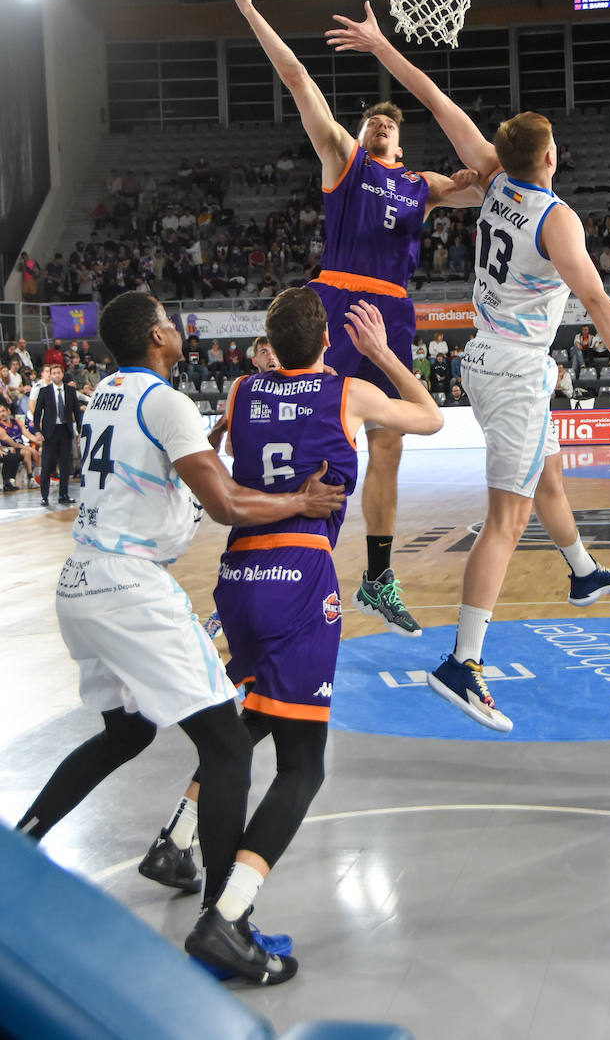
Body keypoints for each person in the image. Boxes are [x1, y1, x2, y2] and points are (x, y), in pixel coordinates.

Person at [327, 2, 610, 731]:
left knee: (544, 476)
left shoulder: (492, 180)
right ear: (550, 158)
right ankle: (464, 662)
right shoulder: (557, 218)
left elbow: (431, 96)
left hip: (489, 357)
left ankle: (582, 574)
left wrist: (382, 45)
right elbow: (600, 303)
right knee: (505, 522)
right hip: (514, 371)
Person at [16, 290, 347, 984]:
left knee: (127, 732)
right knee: (228, 748)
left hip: (78, 578)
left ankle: (22, 844)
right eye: (168, 320)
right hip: (129, 584)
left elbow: (169, 473)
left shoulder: (106, 390)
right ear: (155, 338)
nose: (176, 327)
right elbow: (226, 504)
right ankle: (228, 926)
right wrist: (301, 503)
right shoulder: (165, 401)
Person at [139, 291, 443, 964]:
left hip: (238, 574)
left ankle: (177, 834)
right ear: (330, 339)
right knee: (303, 767)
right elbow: (430, 418)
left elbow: (213, 457)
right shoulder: (348, 392)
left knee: (253, 718)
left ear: (267, 342)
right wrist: (382, 353)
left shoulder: (243, 389)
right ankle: (228, 913)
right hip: (299, 576)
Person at [224, 0, 480, 638]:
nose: (374, 130)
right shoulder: (344, 161)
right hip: (336, 297)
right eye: (368, 123)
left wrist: (472, 172)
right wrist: (247, 6)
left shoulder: (422, 185)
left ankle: (378, 576)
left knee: (389, 445)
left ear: (401, 142)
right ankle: (257, 564)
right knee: (309, 435)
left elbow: (489, 181)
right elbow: (299, 81)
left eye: (385, 128)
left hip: (393, 311)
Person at [34, 364, 81, 507]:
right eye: (53, 373)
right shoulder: (44, 391)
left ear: (62, 374)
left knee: (65, 465)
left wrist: (79, 431)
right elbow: (37, 413)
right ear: (50, 375)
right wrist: (37, 430)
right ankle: (44, 496)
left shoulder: (71, 391)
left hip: (65, 430)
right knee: (47, 464)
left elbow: (77, 413)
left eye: (58, 372)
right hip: (50, 432)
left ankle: (63, 495)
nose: (56, 375)